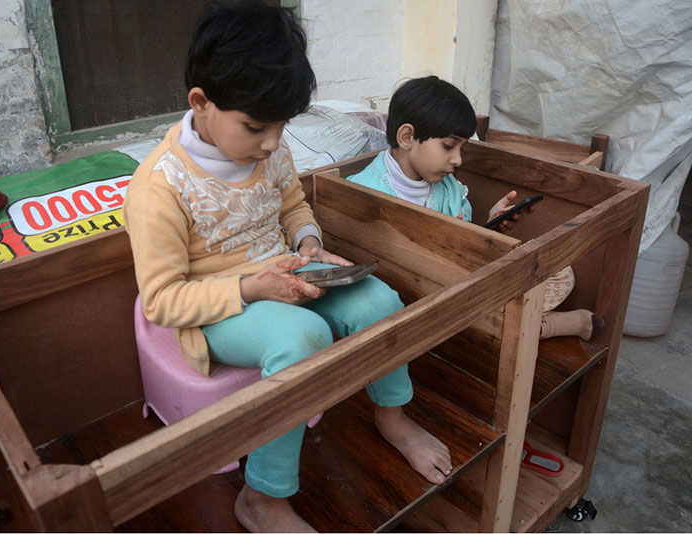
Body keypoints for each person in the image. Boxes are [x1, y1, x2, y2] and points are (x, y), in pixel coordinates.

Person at [123, 4, 451, 532]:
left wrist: (311, 244)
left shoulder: (267, 150)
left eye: (281, 126)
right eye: (256, 127)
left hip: (291, 273)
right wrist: (253, 288)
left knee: (379, 301)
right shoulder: (159, 187)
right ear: (201, 103)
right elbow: (162, 301)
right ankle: (262, 499)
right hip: (221, 304)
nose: (273, 143)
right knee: (302, 338)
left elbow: (293, 205)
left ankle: (393, 417)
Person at [347, 76, 603, 341]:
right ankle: (545, 327)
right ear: (408, 136)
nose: (458, 159)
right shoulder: (362, 190)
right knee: (485, 309)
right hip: (414, 301)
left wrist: (488, 227)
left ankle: (516, 323)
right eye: (448, 146)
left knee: (561, 273)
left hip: (464, 288)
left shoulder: (449, 188)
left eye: (462, 148)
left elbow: (464, 253)